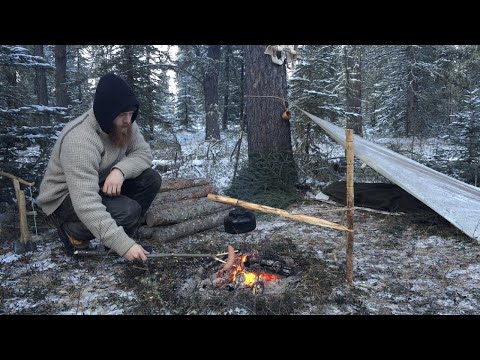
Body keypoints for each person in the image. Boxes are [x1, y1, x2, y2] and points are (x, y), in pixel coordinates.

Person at [37, 73, 161, 261]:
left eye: (131, 113)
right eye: (122, 115)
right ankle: (73, 232)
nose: (128, 120)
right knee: (128, 211)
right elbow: (86, 203)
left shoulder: (125, 124)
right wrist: (123, 246)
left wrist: (119, 171)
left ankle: (118, 233)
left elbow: (144, 154)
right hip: (64, 198)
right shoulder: (80, 140)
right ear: (106, 114)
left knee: (151, 179)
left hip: (97, 182)